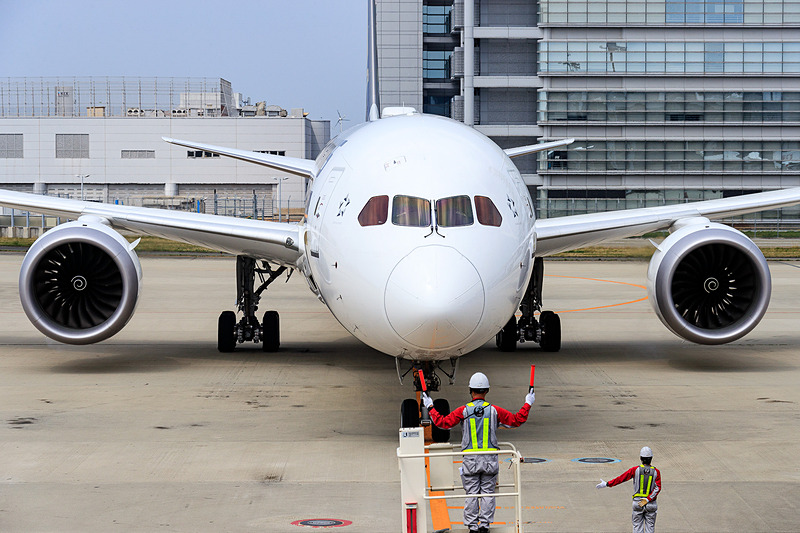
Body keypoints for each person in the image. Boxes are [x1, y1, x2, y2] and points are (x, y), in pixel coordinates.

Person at [423, 372, 535, 533]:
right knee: (488, 494)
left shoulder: (463, 410)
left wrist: (430, 406)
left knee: (472, 494)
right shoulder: (494, 410)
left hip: (470, 460)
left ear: (470, 390)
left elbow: (443, 423)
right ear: (487, 391)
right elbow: (517, 420)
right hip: (490, 460)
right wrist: (528, 403)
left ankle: (473, 527)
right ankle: (484, 526)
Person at [595, 446, 661, 533]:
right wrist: (647, 499)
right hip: (651, 504)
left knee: (637, 528)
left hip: (637, 503)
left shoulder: (635, 470)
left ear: (641, 458)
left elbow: (621, 478)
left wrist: (607, 484)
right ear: (651, 458)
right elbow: (658, 488)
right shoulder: (656, 472)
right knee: (650, 528)